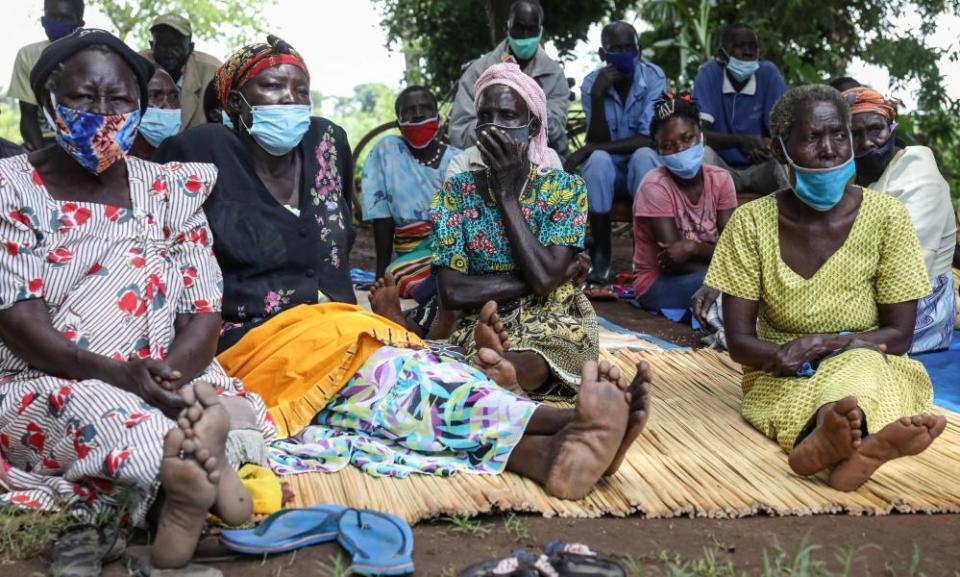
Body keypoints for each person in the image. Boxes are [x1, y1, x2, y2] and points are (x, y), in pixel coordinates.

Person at [0, 29, 275, 573]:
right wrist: (124, 378)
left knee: (238, 412)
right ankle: (190, 479)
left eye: (119, 99)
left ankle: (184, 476)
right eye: (82, 97)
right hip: (51, 380)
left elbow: (203, 309)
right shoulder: (13, 189)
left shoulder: (170, 189)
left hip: (168, 375)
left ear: (140, 106)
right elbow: (18, 320)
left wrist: (164, 379)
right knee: (106, 414)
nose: (101, 113)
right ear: (51, 104)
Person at [704, 85, 946, 491]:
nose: (830, 148)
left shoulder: (887, 217)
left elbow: (899, 335)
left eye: (838, 134)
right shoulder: (751, 223)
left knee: (860, 366)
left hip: (868, 354)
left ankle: (833, 437)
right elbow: (739, 342)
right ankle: (860, 444)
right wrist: (784, 354)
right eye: (812, 137)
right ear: (780, 150)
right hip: (781, 371)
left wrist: (827, 344)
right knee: (834, 384)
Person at [155, 36, 356, 352]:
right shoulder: (201, 151)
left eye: (301, 91)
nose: (290, 99)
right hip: (252, 338)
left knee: (432, 382)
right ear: (236, 103)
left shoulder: (327, 143)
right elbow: (166, 257)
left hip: (342, 324)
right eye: (273, 86)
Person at [433, 62, 598, 397]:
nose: (494, 126)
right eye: (485, 116)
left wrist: (506, 191)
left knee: (547, 348)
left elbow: (545, 281)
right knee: (472, 347)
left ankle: (501, 372)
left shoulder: (565, 189)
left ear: (532, 125)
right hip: (482, 320)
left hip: (554, 319)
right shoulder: (455, 193)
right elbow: (452, 293)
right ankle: (497, 369)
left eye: (507, 116)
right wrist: (550, 277)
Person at [844, 86, 957, 353]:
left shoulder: (919, 177)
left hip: (918, 305)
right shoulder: (860, 178)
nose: (867, 143)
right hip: (867, 294)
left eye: (875, 130)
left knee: (820, 340)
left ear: (892, 128)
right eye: (854, 135)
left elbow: (909, 272)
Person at [565, 21, 666, 287]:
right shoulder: (591, 84)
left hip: (638, 170)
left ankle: (644, 255)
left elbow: (648, 138)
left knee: (644, 156)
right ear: (602, 54)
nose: (624, 54)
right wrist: (598, 96)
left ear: (638, 50)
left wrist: (587, 149)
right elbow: (597, 140)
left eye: (628, 47)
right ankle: (602, 255)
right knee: (597, 161)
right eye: (616, 49)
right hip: (607, 174)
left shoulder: (654, 78)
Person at [632, 93, 736, 312]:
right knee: (735, 286)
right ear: (658, 150)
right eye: (668, 145)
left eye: (687, 138)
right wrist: (721, 265)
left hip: (709, 271)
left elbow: (732, 250)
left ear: (701, 135)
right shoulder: (655, 186)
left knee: (741, 281)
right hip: (658, 284)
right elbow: (673, 264)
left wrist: (693, 247)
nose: (680, 149)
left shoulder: (721, 179)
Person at [361, 86, 461, 299]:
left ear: (438, 117)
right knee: (397, 276)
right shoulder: (387, 152)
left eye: (425, 107)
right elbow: (383, 219)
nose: (417, 114)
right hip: (409, 259)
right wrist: (380, 277)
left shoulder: (459, 160)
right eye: (409, 110)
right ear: (398, 122)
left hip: (452, 250)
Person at [448, 0, 570, 156]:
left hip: (541, 159)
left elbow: (556, 130)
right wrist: (497, 132)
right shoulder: (478, 71)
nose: (525, 36)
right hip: (485, 159)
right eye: (519, 28)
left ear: (540, 30)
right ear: (508, 26)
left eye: (531, 29)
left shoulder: (555, 74)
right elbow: (459, 134)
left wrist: (532, 106)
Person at [692, 24, 788, 195]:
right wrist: (741, 140)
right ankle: (699, 219)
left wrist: (766, 147)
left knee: (784, 158)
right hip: (724, 170)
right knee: (703, 154)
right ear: (722, 55)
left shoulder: (768, 74)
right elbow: (698, 135)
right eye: (739, 46)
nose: (748, 52)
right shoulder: (709, 74)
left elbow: (782, 132)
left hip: (761, 169)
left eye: (753, 46)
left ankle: (798, 217)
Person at [7, 0, 84, 151]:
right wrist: (42, 158)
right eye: (51, 17)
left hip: (84, 142)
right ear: (43, 20)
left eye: (64, 18)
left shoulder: (94, 57)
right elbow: (28, 116)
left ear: (80, 23)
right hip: (45, 142)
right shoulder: (28, 56)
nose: (57, 23)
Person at [143, 14, 221, 131]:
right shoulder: (136, 67)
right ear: (152, 46)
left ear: (190, 48)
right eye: (162, 45)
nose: (168, 52)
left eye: (176, 46)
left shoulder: (213, 72)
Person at [129, 67, 181, 160]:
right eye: (155, 96)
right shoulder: (115, 164)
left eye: (173, 96)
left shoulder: (187, 162)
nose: (168, 106)